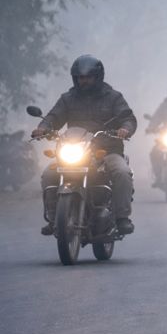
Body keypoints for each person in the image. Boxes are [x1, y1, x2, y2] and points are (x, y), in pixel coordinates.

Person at [32, 55, 137, 235]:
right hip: (76, 149)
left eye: (88, 77)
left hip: (106, 151)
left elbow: (127, 118)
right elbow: (53, 117)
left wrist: (125, 129)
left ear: (97, 77)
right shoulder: (68, 98)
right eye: (81, 77)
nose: (84, 81)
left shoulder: (113, 97)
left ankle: (122, 218)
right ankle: (54, 218)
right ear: (75, 78)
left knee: (122, 172)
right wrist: (42, 128)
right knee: (49, 174)